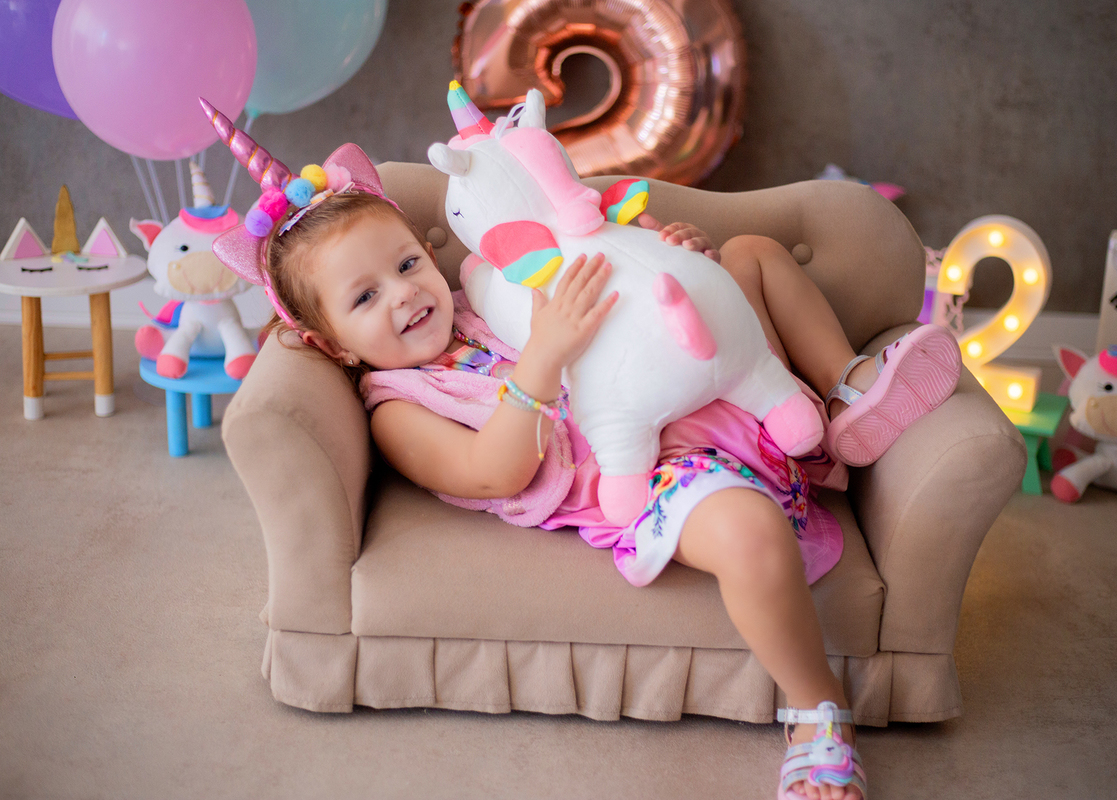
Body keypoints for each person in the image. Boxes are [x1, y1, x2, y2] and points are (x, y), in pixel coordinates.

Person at [211, 133, 961, 800]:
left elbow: (609, 284)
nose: (405, 293)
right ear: (336, 345)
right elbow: (491, 470)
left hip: (715, 387)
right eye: (366, 297)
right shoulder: (399, 408)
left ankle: (848, 393)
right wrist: (543, 358)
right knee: (750, 536)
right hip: (652, 464)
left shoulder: (488, 290)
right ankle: (817, 713)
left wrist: (668, 262)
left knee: (750, 257)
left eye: (407, 263)